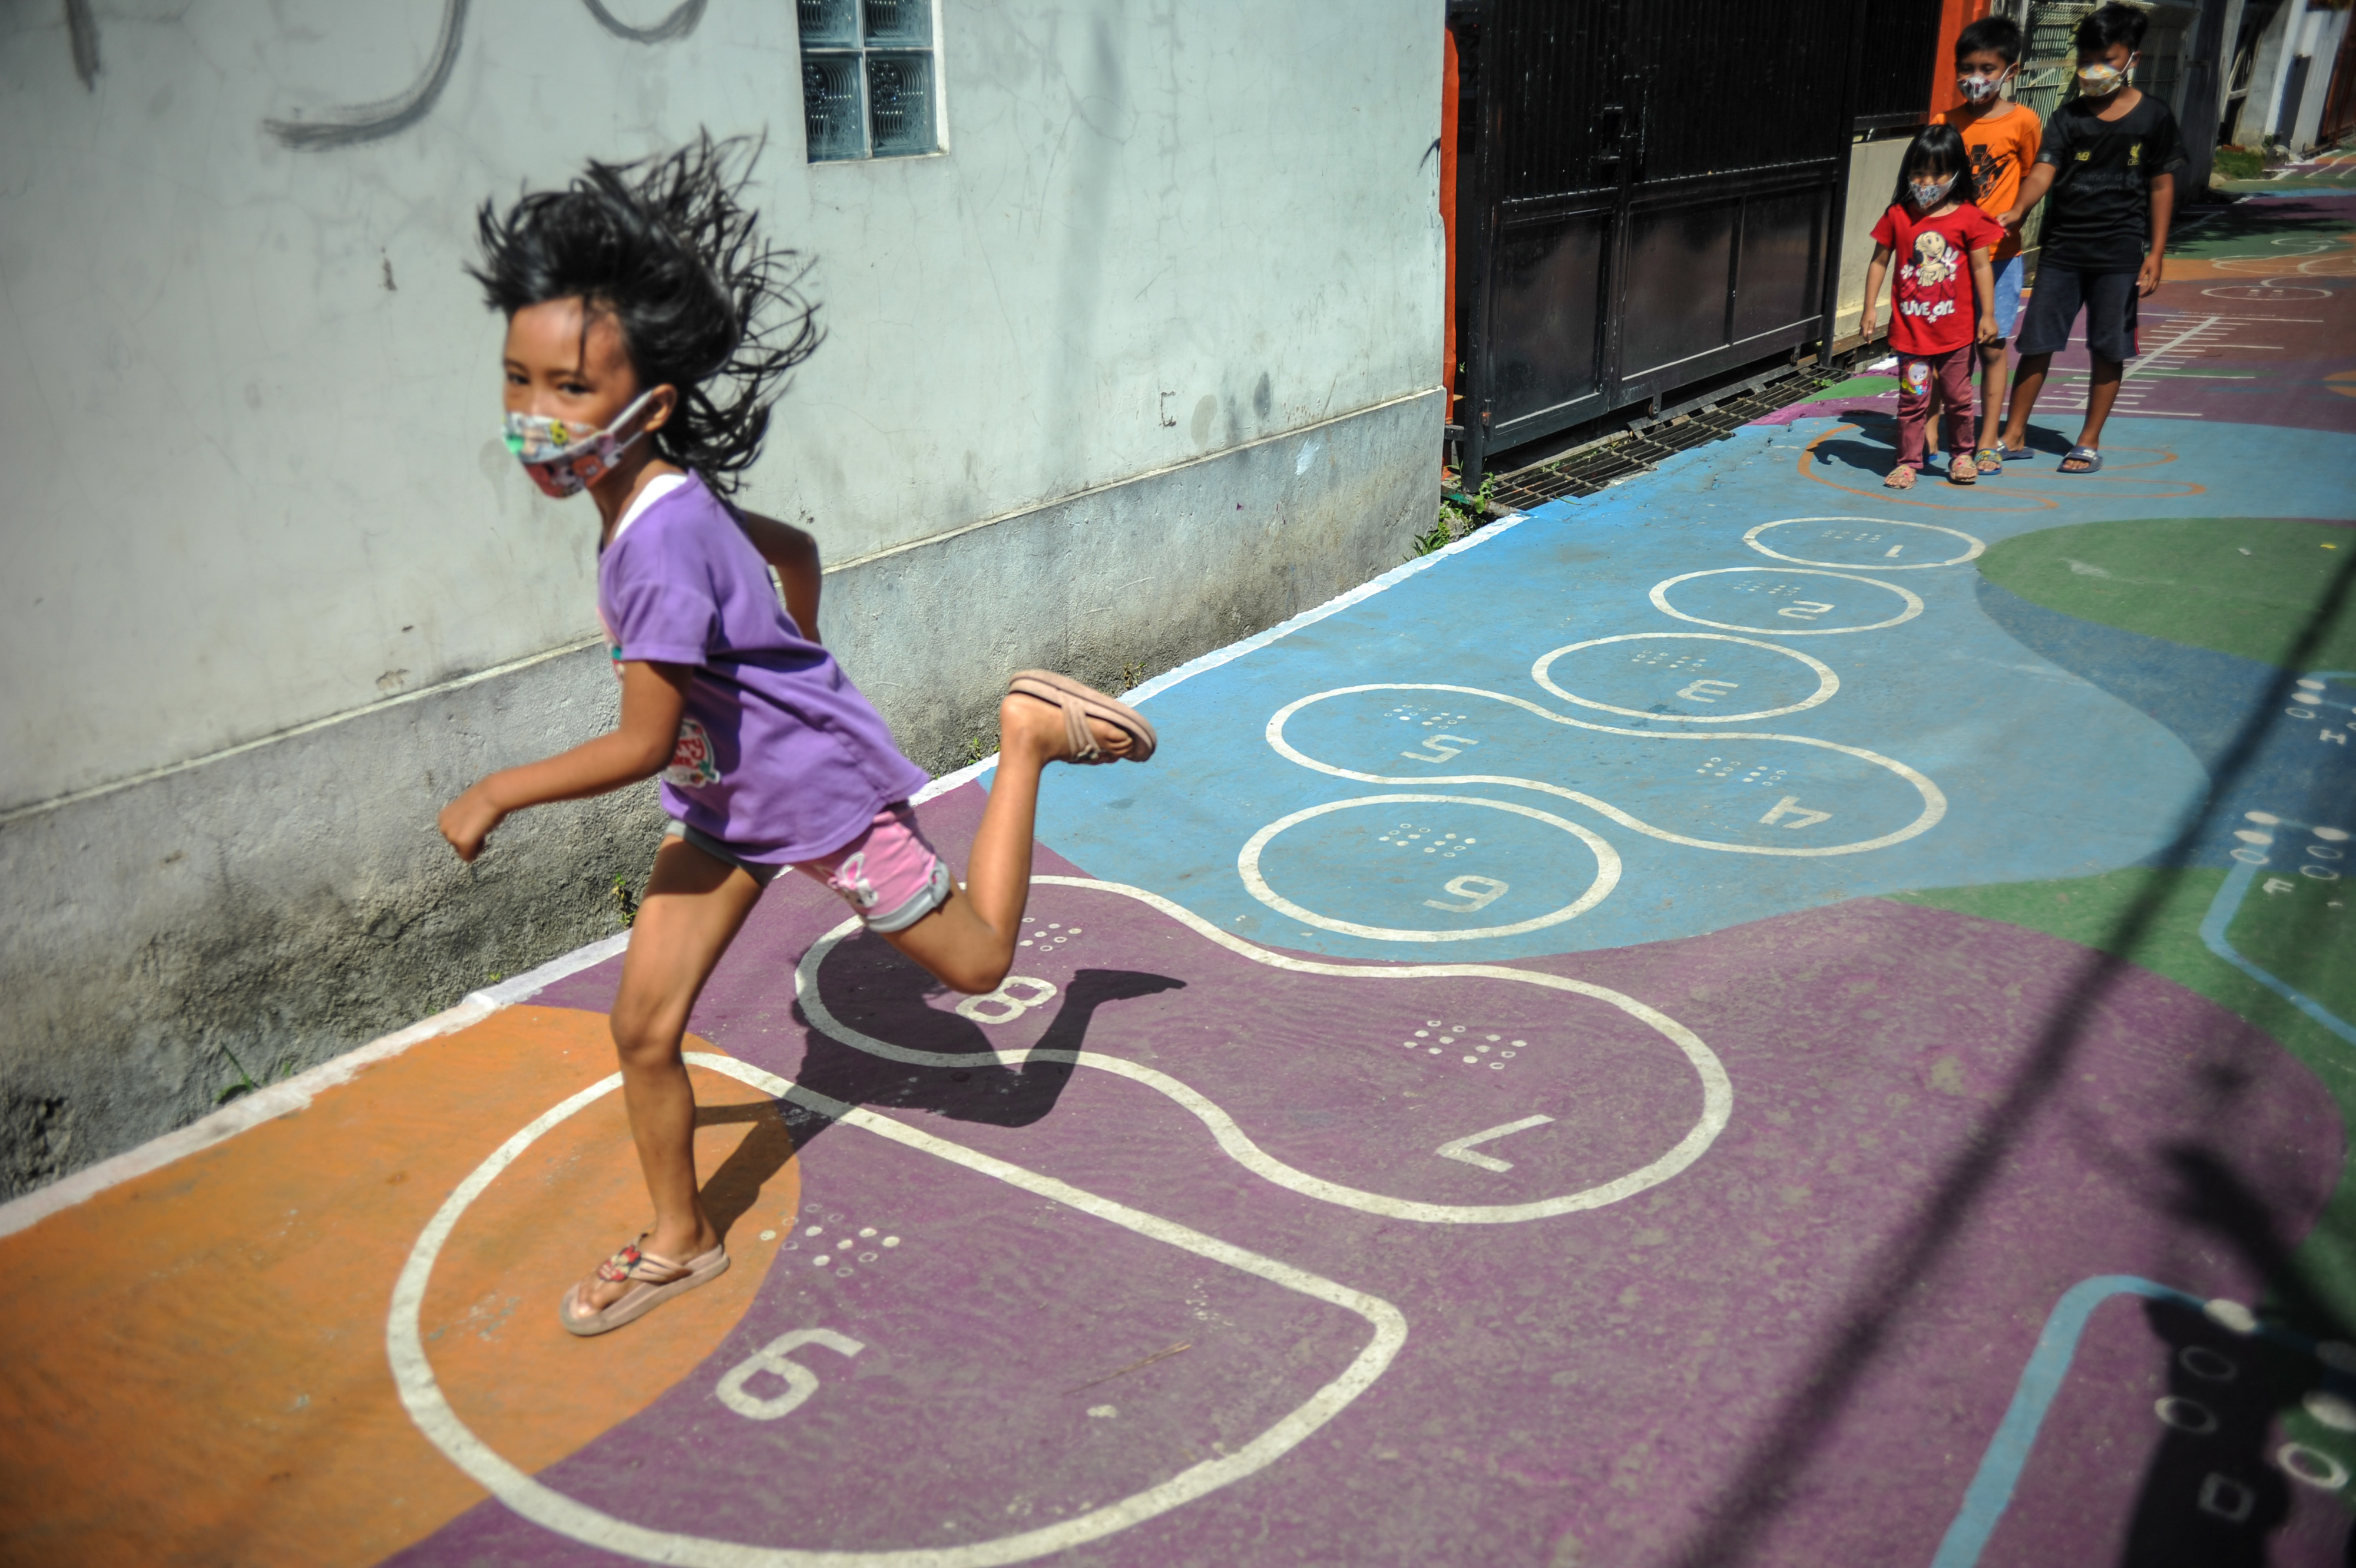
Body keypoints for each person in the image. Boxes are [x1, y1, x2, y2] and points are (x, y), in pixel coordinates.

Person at [437, 136, 1158, 1337]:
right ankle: (679, 1240)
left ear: (648, 405)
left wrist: (496, 791)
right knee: (644, 1025)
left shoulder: (655, 540)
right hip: (727, 804)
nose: (534, 417)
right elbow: (794, 556)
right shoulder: (656, 496)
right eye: (520, 381)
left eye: (568, 391)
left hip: (810, 798)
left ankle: (1026, 739)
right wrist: (786, 670)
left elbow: (634, 740)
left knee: (979, 973)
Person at [1993, 2, 2186, 474]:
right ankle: (2013, 432)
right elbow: (2043, 170)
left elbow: (2162, 185)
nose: (2094, 70)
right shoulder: (2067, 117)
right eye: (2086, 59)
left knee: (2108, 347)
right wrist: (2018, 209)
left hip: (2119, 255)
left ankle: (2088, 440)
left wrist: (2155, 253)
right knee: (2036, 341)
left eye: (2108, 59)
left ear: (2132, 60)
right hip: (2062, 251)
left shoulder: (2154, 118)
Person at [1859, 124, 2004, 489]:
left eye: (1937, 172)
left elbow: (1982, 266)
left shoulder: (1971, 217)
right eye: (1918, 172)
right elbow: (1879, 261)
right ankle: (1909, 462)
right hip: (1911, 336)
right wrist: (1869, 309)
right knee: (1912, 401)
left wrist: (1988, 314)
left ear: (1955, 173)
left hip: (1956, 334)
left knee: (1958, 398)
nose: (1927, 181)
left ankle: (1962, 455)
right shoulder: (1897, 216)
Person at [1943, 14, 2041, 474]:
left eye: (1986, 69)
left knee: (1993, 346)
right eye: (1966, 69)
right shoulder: (1946, 122)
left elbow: (2035, 175)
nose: (1974, 79)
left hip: (2001, 258)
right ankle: (1933, 435)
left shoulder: (2024, 121)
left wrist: (2017, 213)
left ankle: (1987, 440)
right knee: (1944, 347)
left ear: (2010, 72)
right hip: (1949, 260)